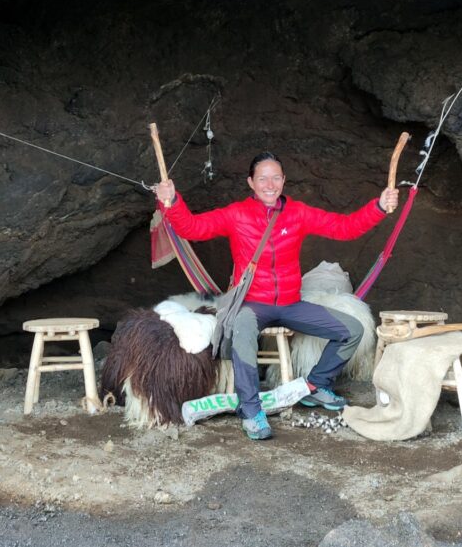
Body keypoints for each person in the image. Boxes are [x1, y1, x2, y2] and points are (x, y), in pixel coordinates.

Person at [154, 152, 399, 440]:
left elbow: (344, 228)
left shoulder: (298, 213)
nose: (269, 184)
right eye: (262, 178)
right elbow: (192, 229)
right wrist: (170, 201)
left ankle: (315, 386)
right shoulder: (236, 214)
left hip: (290, 304)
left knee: (353, 329)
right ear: (251, 182)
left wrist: (379, 207)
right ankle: (251, 409)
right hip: (253, 305)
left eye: (275, 178)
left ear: (283, 180)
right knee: (243, 328)